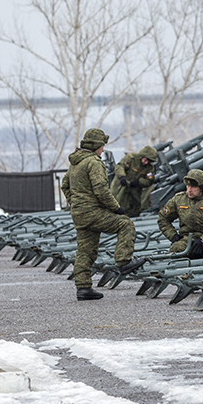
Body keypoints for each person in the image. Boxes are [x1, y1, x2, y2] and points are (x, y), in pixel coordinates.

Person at [61, 128, 145, 301]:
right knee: (125, 224)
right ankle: (124, 262)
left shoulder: (76, 162)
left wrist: (75, 202)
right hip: (92, 212)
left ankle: (83, 288)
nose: (103, 149)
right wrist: (116, 208)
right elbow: (101, 190)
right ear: (96, 146)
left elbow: (65, 185)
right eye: (102, 146)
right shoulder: (93, 162)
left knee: (86, 250)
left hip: (79, 214)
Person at [157, 169, 203, 258]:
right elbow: (163, 218)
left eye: (193, 187)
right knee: (175, 252)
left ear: (201, 187)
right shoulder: (179, 199)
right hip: (186, 240)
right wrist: (173, 235)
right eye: (188, 186)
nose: (189, 190)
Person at [109, 145, 158, 218]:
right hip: (120, 187)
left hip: (134, 191)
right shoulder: (131, 158)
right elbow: (120, 166)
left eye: (149, 161)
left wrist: (139, 182)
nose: (146, 163)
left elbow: (149, 181)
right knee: (114, 205)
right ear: (142, 156)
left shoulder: (149, 168)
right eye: (145, 160)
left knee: (134, 210)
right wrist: (122, 176)